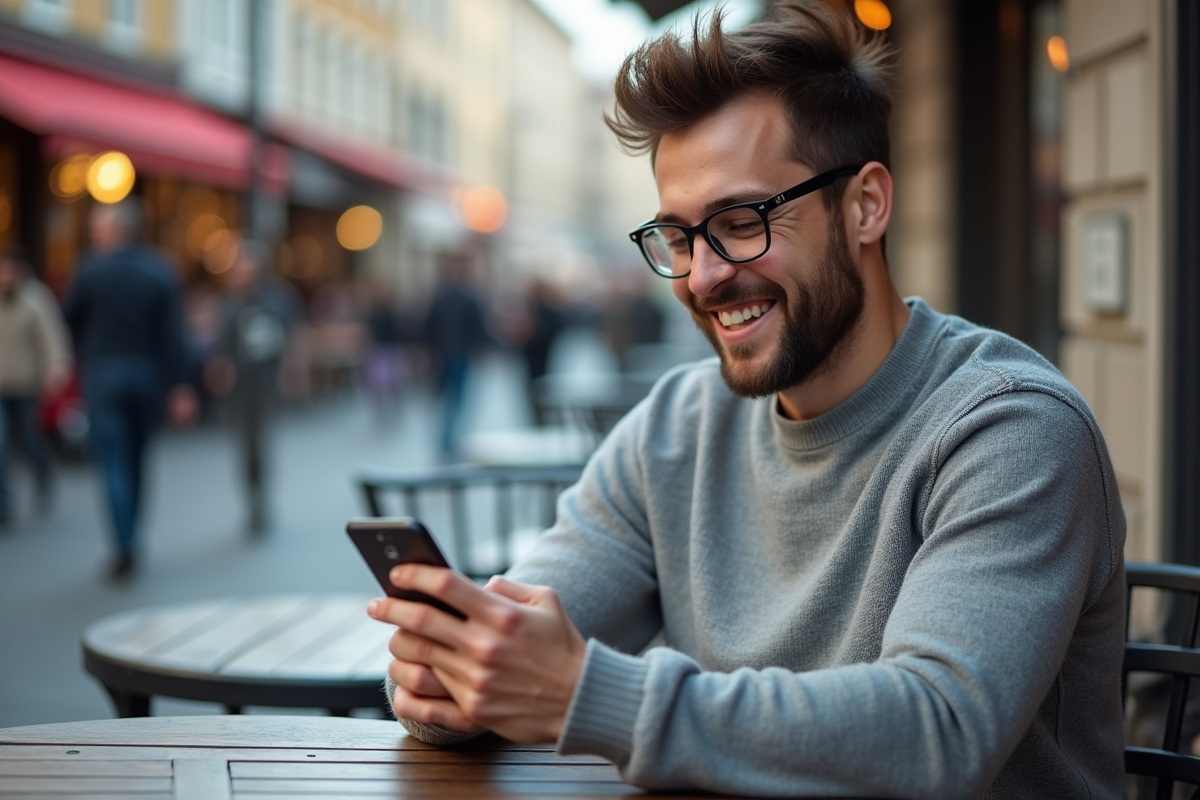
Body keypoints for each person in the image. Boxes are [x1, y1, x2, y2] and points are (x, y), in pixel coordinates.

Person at [367, 5, 1126, 798]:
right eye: (680, 236)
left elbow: (936, 731)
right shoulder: (674, 430)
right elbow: (528, 628)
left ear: (865, 205)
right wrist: (453, 678)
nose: (702, 276)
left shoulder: (1011, 426)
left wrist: (577, 693)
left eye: (741, 221)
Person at [63, 199, 196, 579]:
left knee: (113, 462)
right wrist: (181, 385)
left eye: (98, 230)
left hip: (104, 374)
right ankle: (132, 535)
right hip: (147, 376)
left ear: (112, 230)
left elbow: (69, 319)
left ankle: (123, 543)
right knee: (137, 459)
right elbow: (175, 335)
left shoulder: (90, 270)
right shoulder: (159, 271)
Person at [206, 238, 300, 535]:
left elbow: (293, 335)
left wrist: (292, 368)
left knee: (260, 443)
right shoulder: (229, 301)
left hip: (266, 381)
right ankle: (252, 500)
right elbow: (221, 341)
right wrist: (219, 367)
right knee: (245, 445)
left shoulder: (278, 298)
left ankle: (261, 500)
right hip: (240, 384)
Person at [0, 247, 71, 525]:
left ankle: (43, 476)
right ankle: (4, 502)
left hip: (26, 382)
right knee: (1, 442)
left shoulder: (35, 298)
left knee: (31, 440)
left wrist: (56, 370)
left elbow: (52, 337)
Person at [422, 254, 490, 458]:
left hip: (456, 354)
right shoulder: (457, 297)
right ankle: (449, 439)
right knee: (454, 398)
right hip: (450, 354)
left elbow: (477, 328)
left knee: (453, 398)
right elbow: (429, 327)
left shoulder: (450, 297)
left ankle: (449, 439)